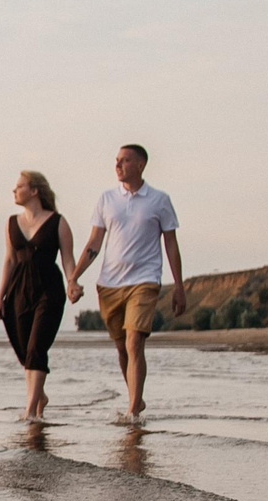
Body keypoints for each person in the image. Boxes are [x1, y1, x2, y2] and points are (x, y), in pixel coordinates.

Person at [71, 144, 185, 420]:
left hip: (144, 281)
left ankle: (132, 410)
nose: (118, 165)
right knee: (122, 346)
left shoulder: (159, 200)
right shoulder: (107, 199)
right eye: (117, 160)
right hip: (109, 284)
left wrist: (179, 286)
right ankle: (137, 397)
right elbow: (94, 242)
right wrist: (74, 277)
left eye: (125, 160)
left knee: (135, 342)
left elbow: (171, 244)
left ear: (141, 165)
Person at [0, 169, 83, 421]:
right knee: (24, 350)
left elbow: (67, 259)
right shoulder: (11, 223)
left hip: (49, 289)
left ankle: (31, 410)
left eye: (19, 186)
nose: (14, 190)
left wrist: (72, 283)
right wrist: (0, 297)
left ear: (34, 191)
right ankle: (39, 395)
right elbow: (9, 260)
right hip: (18, 291)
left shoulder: (58, 222)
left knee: (36, 348)